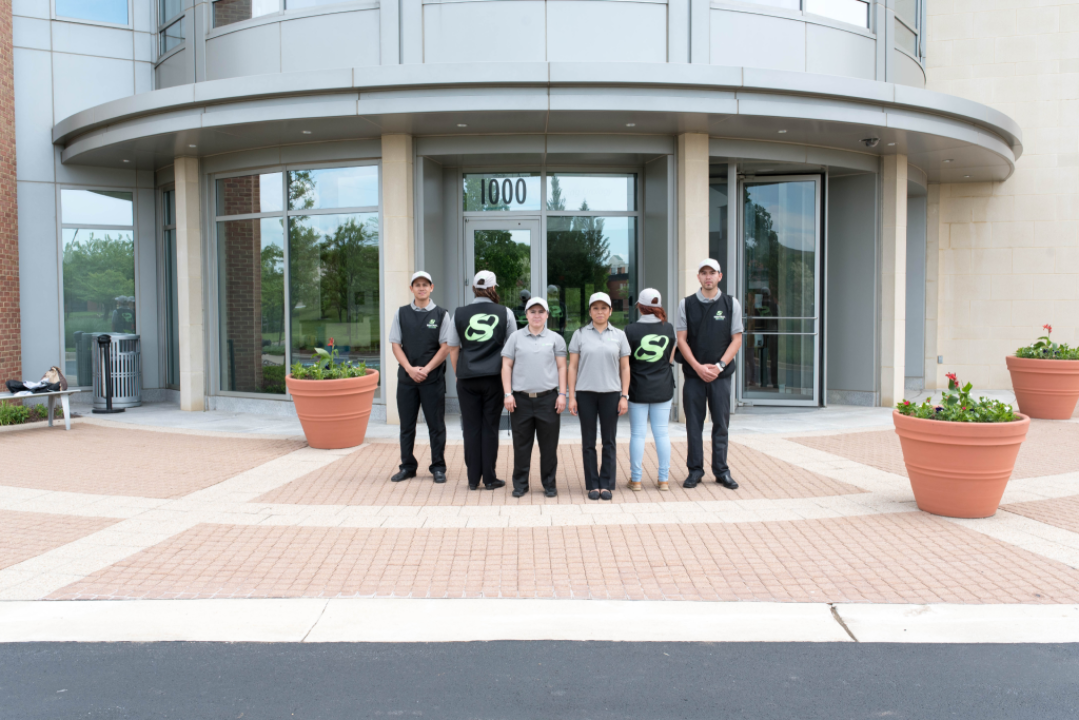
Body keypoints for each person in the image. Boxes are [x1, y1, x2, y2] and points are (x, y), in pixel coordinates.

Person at [676, 259, 744, 490]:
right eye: (703, 273)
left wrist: (720, 366)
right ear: (698, 277)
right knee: (693, 425)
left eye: (712, 273)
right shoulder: (686, 304)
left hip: (720, 377)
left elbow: (737, 339)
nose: (708, 277)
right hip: (694, 376)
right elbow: (681, 340)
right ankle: (695, 470)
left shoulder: (730, 303)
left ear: (719, 276)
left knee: (721, 425)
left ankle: (721, 470)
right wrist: (697, 367)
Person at [447, 270, 516, 490]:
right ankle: (489, 478)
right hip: (494, 378)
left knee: (470, 428)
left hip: (467, 378)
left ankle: (472, 479)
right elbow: (512, 348)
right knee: (489, 427)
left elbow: (453, 348)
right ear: (494, 288)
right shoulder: (505, 313)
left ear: (474, 288)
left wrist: (459, 373)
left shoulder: (458, 313)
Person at [501, 297, 567, 498]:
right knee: (521, 446)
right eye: (532, 311)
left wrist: (562, 394)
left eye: (540, 312)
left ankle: (549, 484)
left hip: (548, 399)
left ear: (547, 314)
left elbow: (562, 367)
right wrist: (507, 393)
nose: (536, 315)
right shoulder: (515, 338)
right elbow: (506, 366)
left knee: (549, 447)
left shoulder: (556, 339)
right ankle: (520, 484)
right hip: (520, 400)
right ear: (526, 314)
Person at [388, 271, 451, 484]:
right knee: (407, 425)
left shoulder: (442, 314)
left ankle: (438, 467)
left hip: (432, 380)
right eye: (417, 284)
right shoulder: (401, 313)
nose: (421, 287)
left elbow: (446, 347)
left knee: (436, 425)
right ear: (411, 288)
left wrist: (426, 369)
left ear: (432, 288)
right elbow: (395, 344)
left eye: (425, 284)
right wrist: (409, 369)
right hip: (407, 380)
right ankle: (407, 466)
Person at [567, 292, 630, 501]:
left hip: (611, 394)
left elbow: (625, 367)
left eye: (604, 308)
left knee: (609, 440)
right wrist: (572, 396)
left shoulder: (619, 335)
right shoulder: (580, 334)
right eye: (595, 308)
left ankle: (607, 483)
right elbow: (572, 366)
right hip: (585, 393)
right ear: (590, 311)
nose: (600, 312)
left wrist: (624, 395)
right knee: (588, 441)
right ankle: (593, 484)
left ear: (611, 311)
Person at [625, 288, 676, 492]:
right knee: (661, 433)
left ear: (640, 306)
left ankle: (636, 480)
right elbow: (670, 359)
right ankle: (663, 480)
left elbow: (626, 363)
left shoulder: (630, 330)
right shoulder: (669, 328)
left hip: (637, 387)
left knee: (637, 434)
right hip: (662, 386)